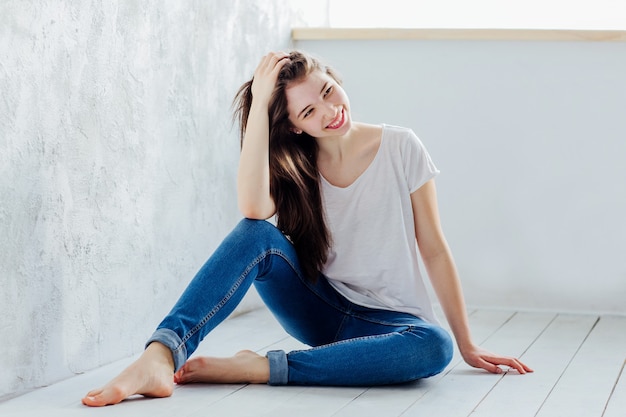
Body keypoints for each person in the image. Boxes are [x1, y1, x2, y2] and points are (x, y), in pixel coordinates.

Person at [82, 50, 532, 407]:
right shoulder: (298, 167)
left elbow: (433, 247)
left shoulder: (402, 147)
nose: (331, 112)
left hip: (393, 324)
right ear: (295, 127)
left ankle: (261, 368)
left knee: (436, 348)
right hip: (322, 311)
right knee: (255, 234)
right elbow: (254, 208)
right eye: (310, 112)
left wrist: (467, 344)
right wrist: (261, 105)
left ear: (337, 79)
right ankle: (160, 355)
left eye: (330, 93)